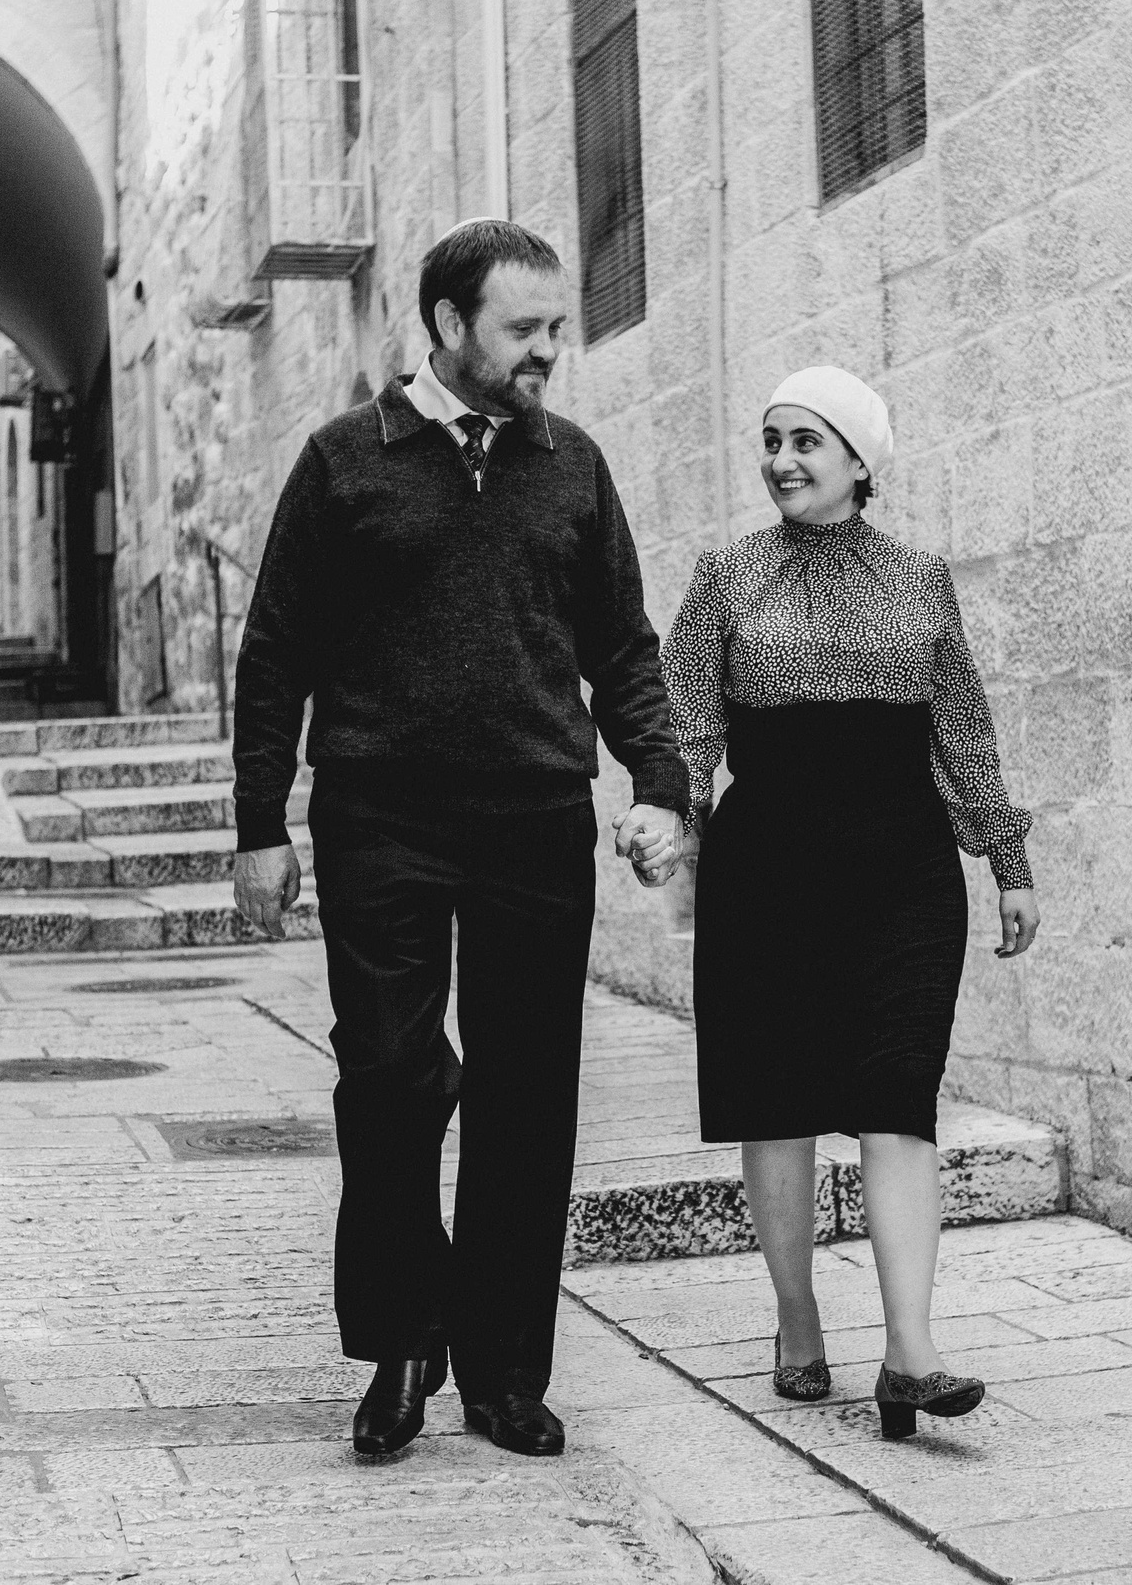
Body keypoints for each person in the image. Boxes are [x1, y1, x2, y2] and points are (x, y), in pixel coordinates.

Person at [230, 220, 689, 1461]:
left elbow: (623, 649)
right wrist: (258, 822)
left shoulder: (572, 467)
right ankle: (398, 1344)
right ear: (446, 325)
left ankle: (501, 1371)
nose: (550, 351)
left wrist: (662, 780)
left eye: (557, 328)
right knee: (387, 1082)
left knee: (528, 1098)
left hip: (533, 814)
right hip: (381, 813)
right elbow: (275, 654)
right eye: (524, 330)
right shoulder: (343, 464)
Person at [661, 366, 1040, 1442]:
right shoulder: (726, 578)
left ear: (861, 460)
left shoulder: (921, 577)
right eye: (771, 439)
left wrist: (1006, 859)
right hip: (767, 873)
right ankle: (794, 1320)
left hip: (902, 873)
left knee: (897, 1091)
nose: (781, 458)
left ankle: (910, 1354)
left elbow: (961, 728)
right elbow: (687, 724)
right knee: (775, 1103)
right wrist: (667, 819)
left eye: (806, 441)